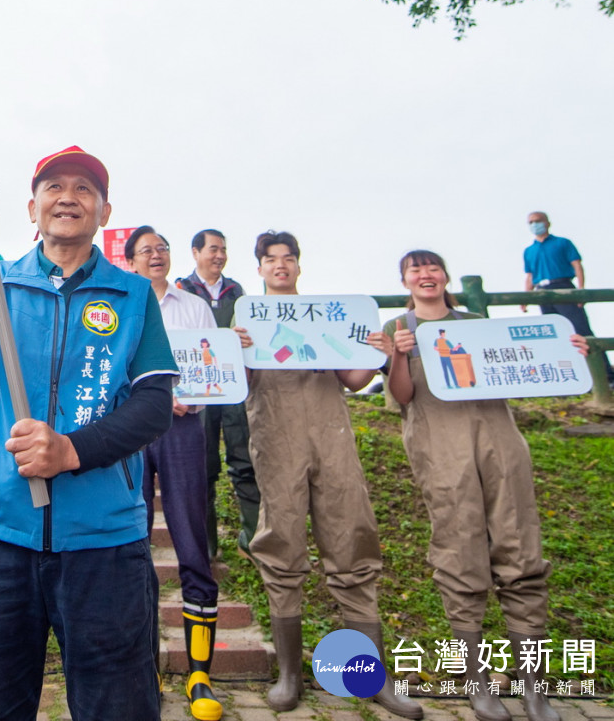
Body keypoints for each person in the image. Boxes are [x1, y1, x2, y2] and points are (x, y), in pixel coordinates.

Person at [0, 145, 178, 721]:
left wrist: (70, 450)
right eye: (54, 186)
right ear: (30, 206)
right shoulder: (0, 283)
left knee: (118, 703)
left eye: (84, 189)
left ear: (104, 210)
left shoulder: (133, 295)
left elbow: (152, 407)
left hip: (104, 542)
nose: (68, 196)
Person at [369, 251, 590, 721]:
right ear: (404, 280)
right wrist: (399, 356)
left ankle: (534, 690)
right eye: (415, 269)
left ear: (444, 276)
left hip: (501, 442)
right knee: (460, 555)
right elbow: (403, 398)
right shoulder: (397, 329)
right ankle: (477, 685)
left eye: (432, 268)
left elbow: (526, 366)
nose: (425, 275)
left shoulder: (477, 324)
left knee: (522, 555)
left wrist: (567, 353)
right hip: (439, 447)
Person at [235, 232, 420, 719]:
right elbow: (240, 382)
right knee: (281, 544)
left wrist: (378, 352)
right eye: (271, 260)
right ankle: (290, 674)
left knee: (352, 538)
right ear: (259, 269)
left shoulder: (325, 316)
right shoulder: (248, 317)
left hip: (331, 434)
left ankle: (370, 677)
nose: (280, 266)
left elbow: (353, 379)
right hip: (276, 438)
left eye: (288, 259)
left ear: (299, 267)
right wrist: (237, 351)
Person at [126, 225, 222, 721]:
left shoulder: (193, 306)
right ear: (131, 263)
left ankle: (199, 672)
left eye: (162, 248)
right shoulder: (122, 306)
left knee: (191, 541)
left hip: (185, 431)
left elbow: (214, 369)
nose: (157, 255)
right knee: (133, 545)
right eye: (147, 251)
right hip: (135, 433)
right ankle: (144, 665)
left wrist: (194, 397)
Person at [176, 230, 259, 556]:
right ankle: (206, 547)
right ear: (196, 253)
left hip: (234, 386)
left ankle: (252, 540)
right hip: (200, 389)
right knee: (203, 467)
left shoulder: (236, 292)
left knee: (245, 462)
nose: (219, 255)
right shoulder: (183, 290)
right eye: (213, 249)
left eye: (223, 249)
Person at [522, 211, 613, 382]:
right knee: (555, 335)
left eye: (537, 221)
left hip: (563, 287)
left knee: (581, 331)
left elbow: (577, 265)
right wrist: (526, 298)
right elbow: (529, 276)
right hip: (541, 292)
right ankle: (572, 378)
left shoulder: (562, 243)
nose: (534, 224)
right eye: (531, 222)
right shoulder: (529, 251)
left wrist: (581, 290)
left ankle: (606, 376)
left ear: (547, 222)